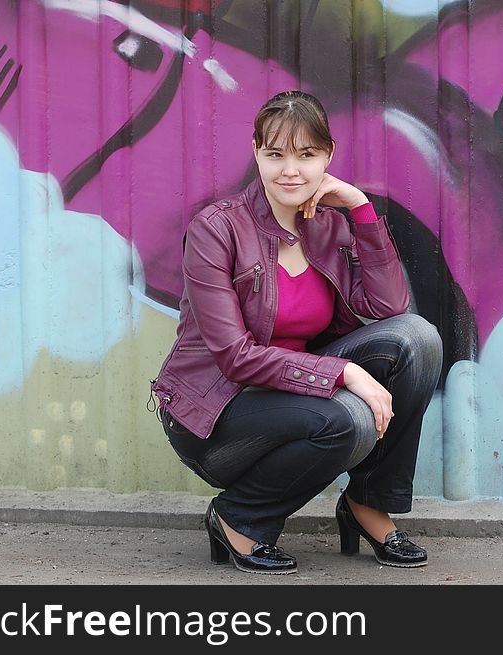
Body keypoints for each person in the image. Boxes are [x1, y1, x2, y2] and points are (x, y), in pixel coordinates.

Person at [150, 90, 443, 575]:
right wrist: (344, 371)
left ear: (328, 156)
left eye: (306, 155)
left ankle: (367, 504)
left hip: (297, 397)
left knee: (417, 339)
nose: (291, 170)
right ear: (256, 154)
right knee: (349, 417)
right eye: (276, 154)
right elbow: (236, 358)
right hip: (218, 414)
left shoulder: (328, 227)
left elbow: (390, 306)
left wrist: (361, 209)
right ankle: (240, 516)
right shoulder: (217, 229)